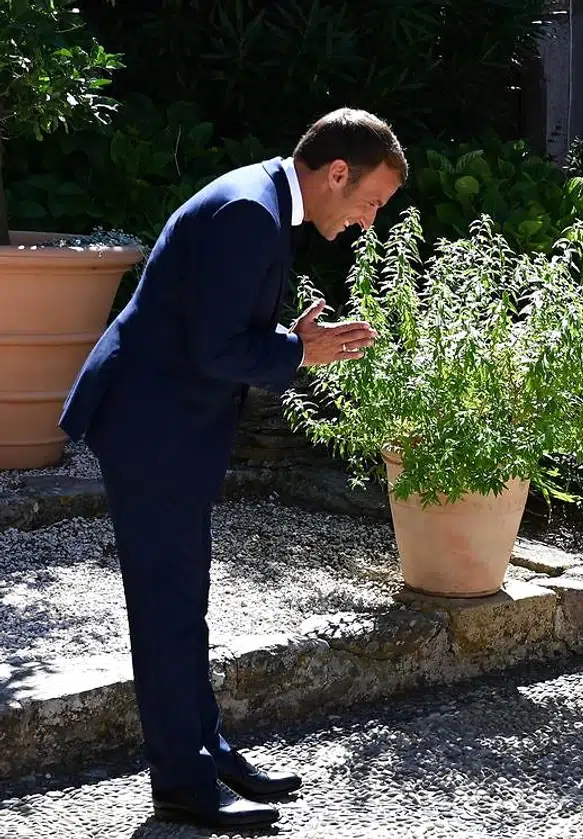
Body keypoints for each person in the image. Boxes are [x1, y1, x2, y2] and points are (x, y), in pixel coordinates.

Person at [59, 108, 406, 829]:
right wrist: (300, 352)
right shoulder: (251, 210)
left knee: (183, 603)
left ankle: (207, 754)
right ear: (338, 173)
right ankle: (182, 782)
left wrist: (286, 340)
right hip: (152, 429)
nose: (369, 220)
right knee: (166, 609)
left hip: (164, 426)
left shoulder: (260, 200)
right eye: (372, 201)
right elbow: (216, 349)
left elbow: (213, 324)